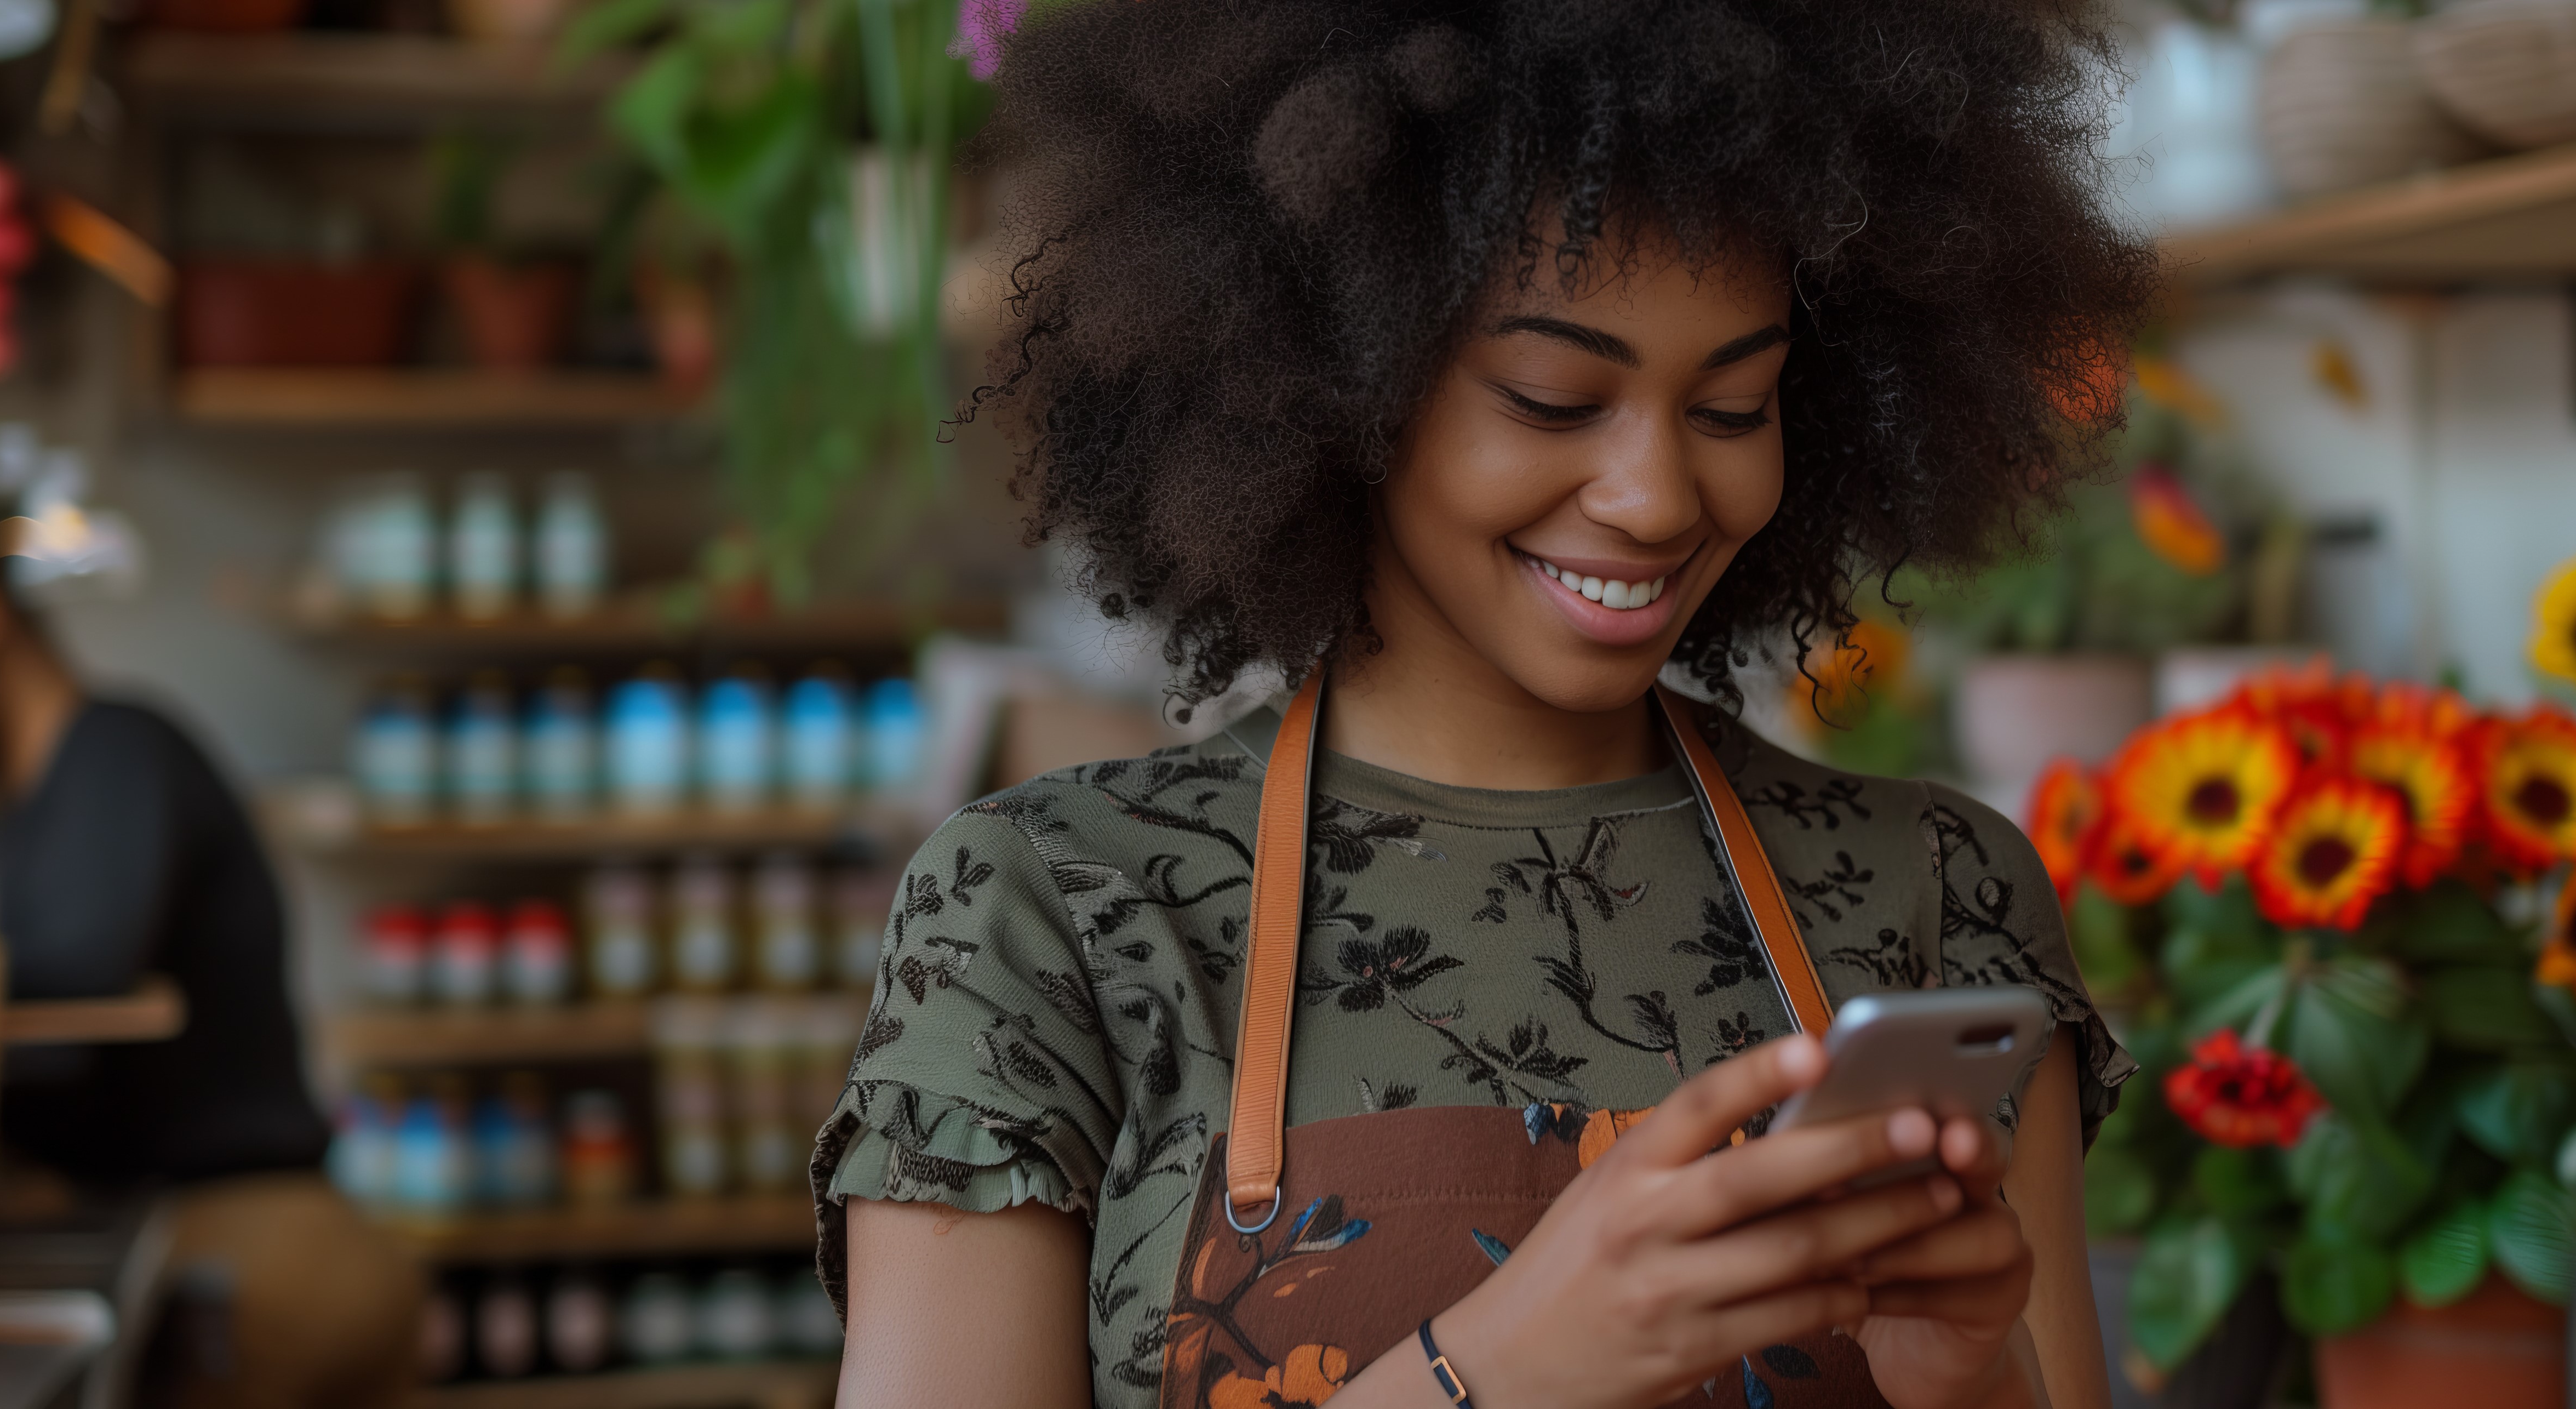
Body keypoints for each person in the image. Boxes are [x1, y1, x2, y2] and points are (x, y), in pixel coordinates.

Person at [822, 5, 2154, 1407]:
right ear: (1341, 379)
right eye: (1551, 397)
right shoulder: (1057, 914)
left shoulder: (1934, 891)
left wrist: (1974, 1380)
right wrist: (1501, 1368)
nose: (1654, 499)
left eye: (1731, 406)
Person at [0, 579, 422, 1409]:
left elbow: (77, 975)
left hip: (258, 1244)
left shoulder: (116, 749)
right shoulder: (31, 807)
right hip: (226, 1236)